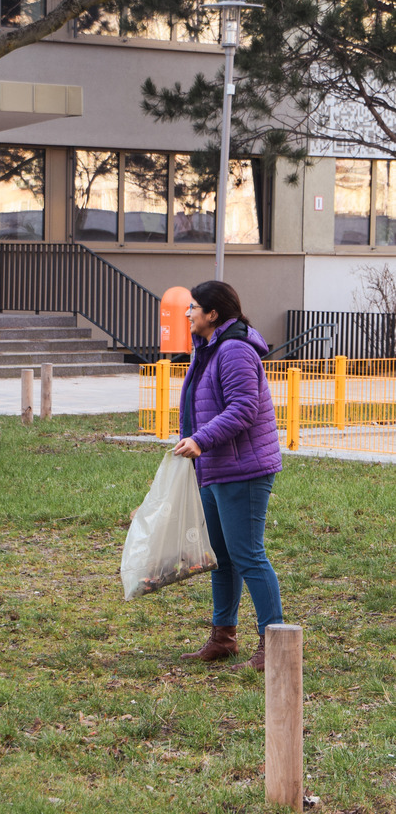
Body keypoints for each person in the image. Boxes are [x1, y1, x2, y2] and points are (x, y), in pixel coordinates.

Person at [174, 280, 283, 671]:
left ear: (213, 314)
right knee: (222, 558)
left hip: (244, 469)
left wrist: (200, 441)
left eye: (193, 307)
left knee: (249, 555)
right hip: (215, 468)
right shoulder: (209, 348)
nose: (188, 313)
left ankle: (275, 645)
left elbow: (242, 409)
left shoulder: (234, 350)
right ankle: (224, 638)